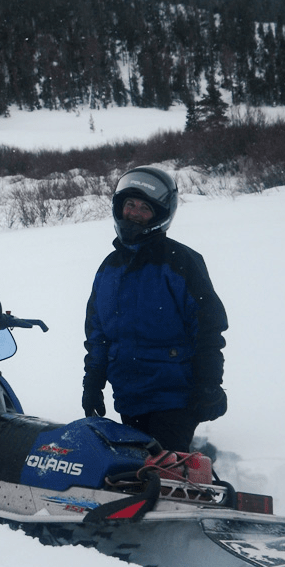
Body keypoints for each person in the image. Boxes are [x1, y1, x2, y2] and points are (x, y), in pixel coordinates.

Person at [82, 165, 228, 452]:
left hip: (174, 397)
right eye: (130, 204)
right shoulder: (108, 269)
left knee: (164, 473)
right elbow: (98, 335)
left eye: (144, 208)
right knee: (131, 471)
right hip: (128, 396)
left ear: (160, 214)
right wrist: (92, 385)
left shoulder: (180, 262)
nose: (134, 213)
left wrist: (209, 384)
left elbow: (208, 328)